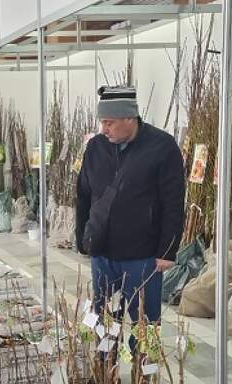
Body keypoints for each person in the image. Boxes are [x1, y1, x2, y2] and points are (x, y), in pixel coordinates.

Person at [76, 86, 185, 323]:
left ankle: (143, 350)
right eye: (102, 122)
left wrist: (167, 251)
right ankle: (105, 350)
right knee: (103, 320)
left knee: (144, 324)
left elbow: (173, 202)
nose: (104, 129)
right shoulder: (95, 148)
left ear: (129, 117)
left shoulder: (162, 147)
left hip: (142, 256)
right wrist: (83, 238)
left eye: (109, 123)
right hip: (102, 254)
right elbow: (84, 194)